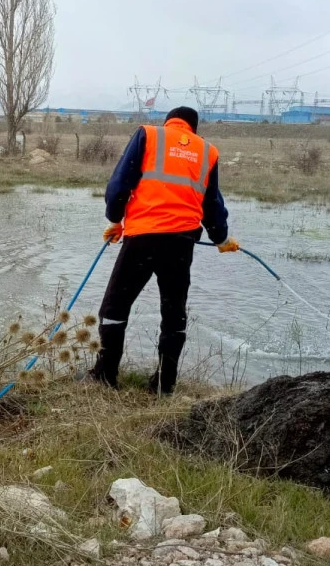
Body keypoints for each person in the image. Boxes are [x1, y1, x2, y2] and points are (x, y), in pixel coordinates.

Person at [87, 105, 239, 394]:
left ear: (169, 122)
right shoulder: (207, 151)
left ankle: (105, 377)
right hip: (181, 244)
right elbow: (212, 204)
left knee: (115, 308)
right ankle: (164, 385)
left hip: (142, 238)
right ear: (193, 128)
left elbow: (120, 183)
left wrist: (115, 219)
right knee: (173, 313)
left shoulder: (148, 134)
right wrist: (221, 238)